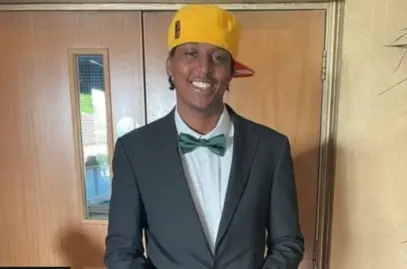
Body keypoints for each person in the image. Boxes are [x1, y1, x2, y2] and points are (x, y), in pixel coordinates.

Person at [104, 4, 304, 269]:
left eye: (218, 57)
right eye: (191, 53)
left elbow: (288, 242)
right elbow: (121, 253)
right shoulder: (134, 150)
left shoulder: (271, 148)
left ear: (232, 71)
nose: (204, 69)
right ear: (170, 66)